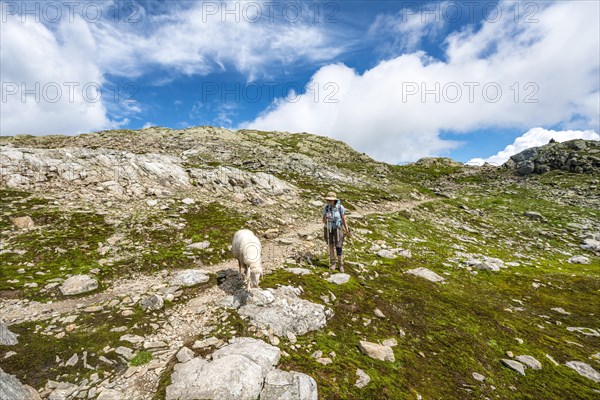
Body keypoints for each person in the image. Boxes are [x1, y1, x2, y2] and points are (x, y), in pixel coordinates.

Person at [322, 191, 351, 272]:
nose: (329, 201)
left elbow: (343, 219)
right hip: (328, 228)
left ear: (335, 200)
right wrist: (325, 218)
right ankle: (333, 263)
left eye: (330, 200)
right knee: (330, 245)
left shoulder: (340, 207)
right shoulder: (326, 208)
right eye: (328, 200)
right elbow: (323, 221)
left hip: (338, 228)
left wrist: (347, 229)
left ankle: (341, 264)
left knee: (338, 246)